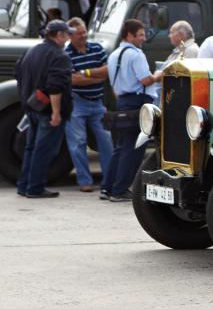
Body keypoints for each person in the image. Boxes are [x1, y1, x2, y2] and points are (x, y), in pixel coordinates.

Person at [102, 19, 162, 202]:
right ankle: (119, 190)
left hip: (122, 102)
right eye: (141, 35)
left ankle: (107, 187)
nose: (143, 39)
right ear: (129, 35)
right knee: (134, 149)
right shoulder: (137, 54)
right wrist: (160, 75)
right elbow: (145, 80)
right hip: (138, 103)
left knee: (120, 147)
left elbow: (114, 86)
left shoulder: (114, 55)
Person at [15, 20, 74, 198]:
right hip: (49, 113)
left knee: (31, 148)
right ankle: (35, 188)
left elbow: (18, 74)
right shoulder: (59, 56)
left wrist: (28, 99)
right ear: (59, 35)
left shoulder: (31, 51)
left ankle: (24, 185)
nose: (68, 38)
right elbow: (55, 87)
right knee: (44, 150)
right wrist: (56, 113)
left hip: (32, 108)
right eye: (67, 34)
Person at [64, 17, 112, 193]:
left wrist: (85, 73)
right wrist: (95, 76)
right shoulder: (66, 54)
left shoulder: (97, 48)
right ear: (70, 36)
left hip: (97, 103)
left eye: (84, 32)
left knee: (106, 141)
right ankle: (84, 180)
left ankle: (109, 180)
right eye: (79, 34)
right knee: (78, 142)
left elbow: (106, 72)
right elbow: (72, 80)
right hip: (77, 103)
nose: (83, 36)